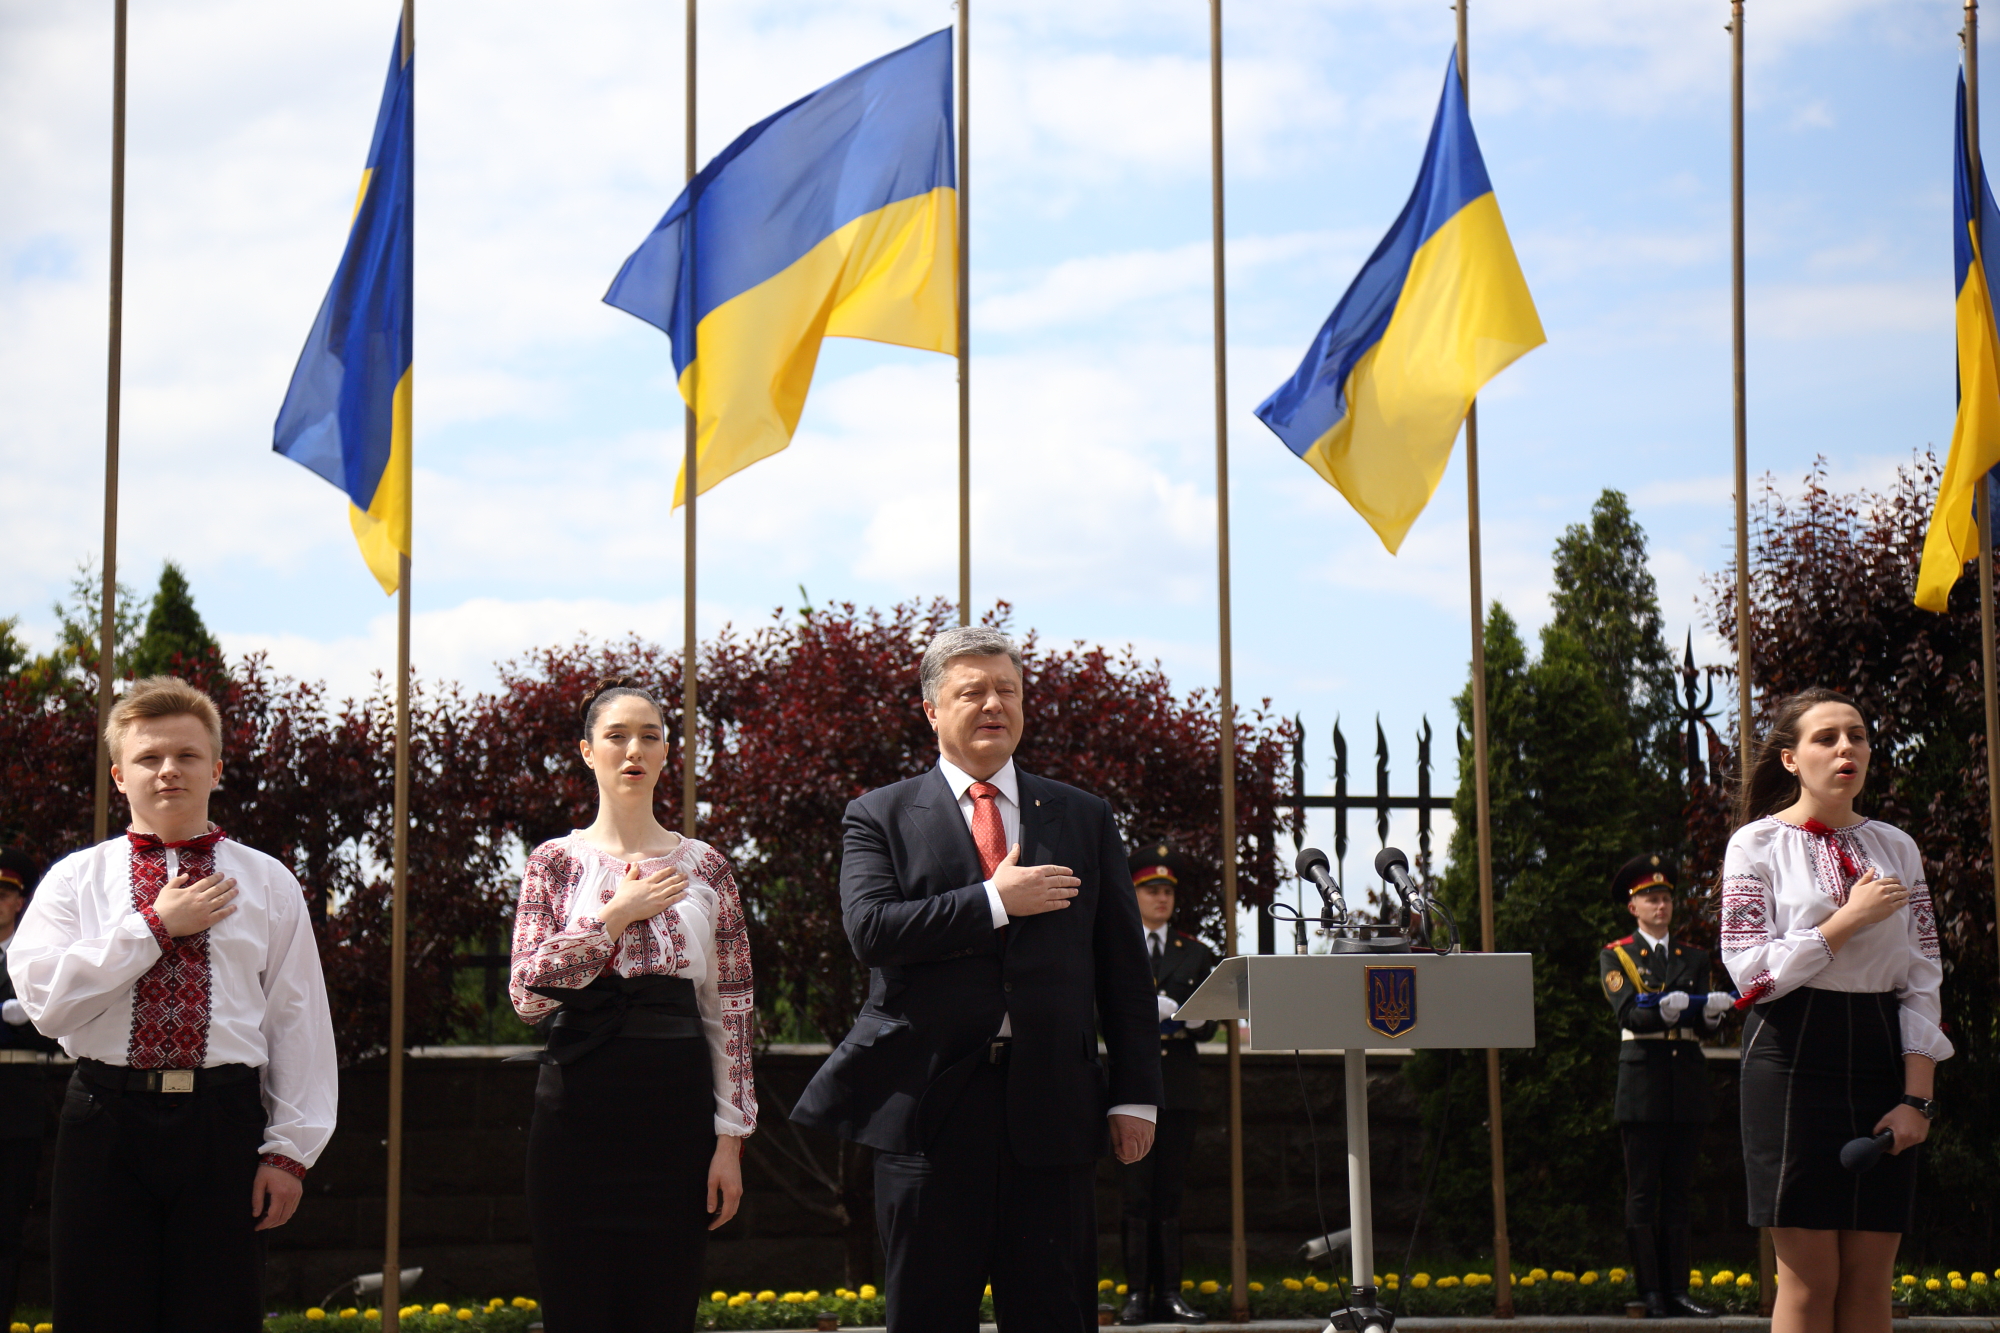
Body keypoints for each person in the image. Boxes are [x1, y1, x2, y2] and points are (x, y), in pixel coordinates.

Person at [791, 626, 1162, 1333]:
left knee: (1056, 1314)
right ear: (931, 709)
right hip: (928, 1111)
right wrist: (996, 900)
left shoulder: (1084, 815)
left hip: (1053, 1108)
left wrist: (1137, 1093)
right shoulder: (881, 815)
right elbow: (873, 930)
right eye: (973, 691)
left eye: (1008, 690)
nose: (994, 703)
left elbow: (1123, 969)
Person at [8, 676, 337, 1333]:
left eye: (186, 755)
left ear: (215, 768)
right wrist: (155, 926)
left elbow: (297, 1019)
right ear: (119, 775)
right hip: (105, 1118)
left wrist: (288, 1151)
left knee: (218, 1315)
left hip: (223, 1125)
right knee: (99, 1313)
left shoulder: (267, 880)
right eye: (148, 757)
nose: (167, 770)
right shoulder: (77, 878)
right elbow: (46, 997)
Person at [509, 679, 756, 1333]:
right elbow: (527, 994)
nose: (632, 750)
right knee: (576, 1303)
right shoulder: (555, 863)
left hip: (674, 1108)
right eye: (616, 736)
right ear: (587, 750)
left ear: (667, 750)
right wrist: (614, 917)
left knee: (665, 1304)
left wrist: (730, 1140)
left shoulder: (708, 868)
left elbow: (730, 1006)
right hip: (577, 1102)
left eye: (649, 735)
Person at [1719, 688, 1950, 1333]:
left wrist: (1918, 1099)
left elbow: (1922, 977)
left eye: (1858, 735)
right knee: (1810, 1278)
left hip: (1881, 1053)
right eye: (1826, 738)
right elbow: (1750, 973)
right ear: (1790, 759)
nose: (1847, 747)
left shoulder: (1898, 848)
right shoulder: (1756, 845)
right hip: (1790, 1056)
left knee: (1872, 1278)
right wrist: (1844, 921)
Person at [1597, 853, 1734, 1319]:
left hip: (1686, 1082)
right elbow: (1628, 1013)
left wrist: (1710, 1015)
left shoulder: (1691, 957)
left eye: (1666, 898)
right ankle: (1650, 1291)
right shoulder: (1617, 956)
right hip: (1643, 1082)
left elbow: (1703, 1024)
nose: (1661, 905)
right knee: (1642, 1193)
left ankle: (1678, 1289)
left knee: (1678, 1192)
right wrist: (1665, 1012)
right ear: (1633, 907)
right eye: (1651, 899)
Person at [1117, 844, 1216, 1327]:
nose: (1161, 899)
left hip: (1176, 1085)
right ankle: (1137, 1293)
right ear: (1133, 893)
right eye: (1151, 890)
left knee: (1170, 1192)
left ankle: (1170, 1293)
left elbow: (1210, 1023)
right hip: (1130, 1082)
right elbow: (1097, 1012)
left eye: (1167, 892)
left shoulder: (1194, 952)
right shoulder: (1115, 944)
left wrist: (1186, 1018)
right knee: (1134, 1192)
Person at [0, 847, 60, 1330]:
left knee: (5, 1228)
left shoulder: (38, 953)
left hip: (14, 1108)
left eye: (3, 892)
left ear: (20, 899)